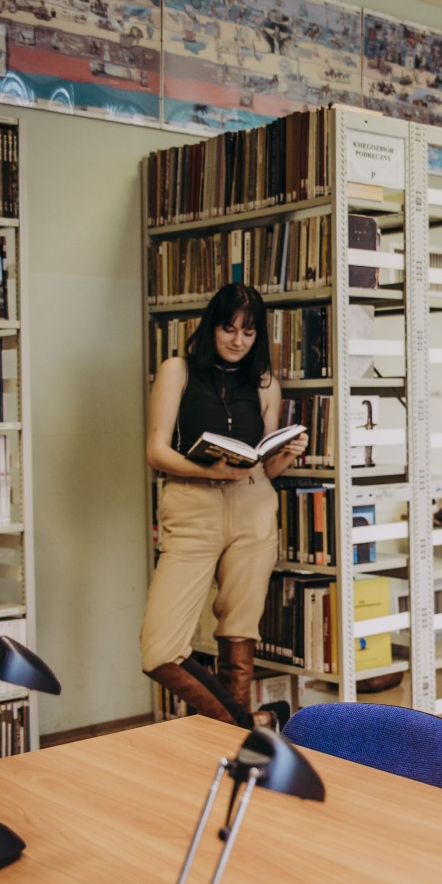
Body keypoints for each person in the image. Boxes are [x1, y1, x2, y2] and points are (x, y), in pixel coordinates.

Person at [139, 283, 308, 726]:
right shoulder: (177, 371)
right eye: (228, 329)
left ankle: (234, 744)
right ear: (211, 326)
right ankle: (250, 725)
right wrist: (208, 471)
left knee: (239, 629)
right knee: (159, 649)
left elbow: (263, 466)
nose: (237, 341)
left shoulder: (265, 383)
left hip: (253, 507)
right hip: (191, 507)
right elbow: (156, 450)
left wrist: (287, 454)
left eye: (248, 333)